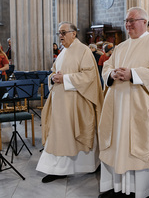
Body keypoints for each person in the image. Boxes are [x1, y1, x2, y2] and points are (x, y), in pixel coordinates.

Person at [98, 7, 149, 198]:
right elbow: (107, 67)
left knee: (139, 147)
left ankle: (140, 189)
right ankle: (117, 187)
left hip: (142, 109)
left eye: (132, 20)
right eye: (126, 21)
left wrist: (133, 74)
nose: (127, 24)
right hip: (118, 107)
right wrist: (111, 73)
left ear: (145, 22)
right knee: (118, 144)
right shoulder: (121, 46)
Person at [36, 21, 103, 183]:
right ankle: (59, 169)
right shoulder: (62, 52)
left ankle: (88, 166)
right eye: (59, 33)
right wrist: (53, 77)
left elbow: (89, 76)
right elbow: (53, 71)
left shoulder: (83, 51)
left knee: (74, 134)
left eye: (63, 32)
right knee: (60, 136)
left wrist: (64, 78)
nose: (60, 36)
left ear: (74, 33)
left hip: (76, 103)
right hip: (60, 103)